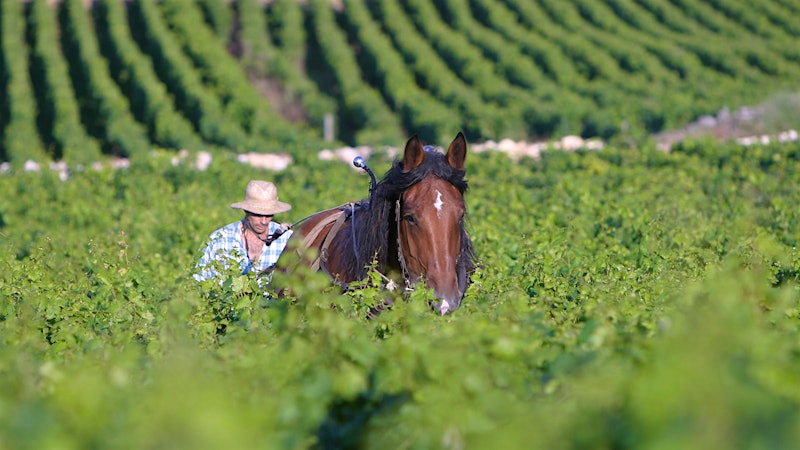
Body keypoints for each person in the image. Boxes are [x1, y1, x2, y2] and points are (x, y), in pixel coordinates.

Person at [194, 180, 293, 283]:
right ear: (246, 210)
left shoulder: (287, 240)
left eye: (269, 215)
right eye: (258, 214)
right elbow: (198, 280)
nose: (263, 221)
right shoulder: (220, 239)